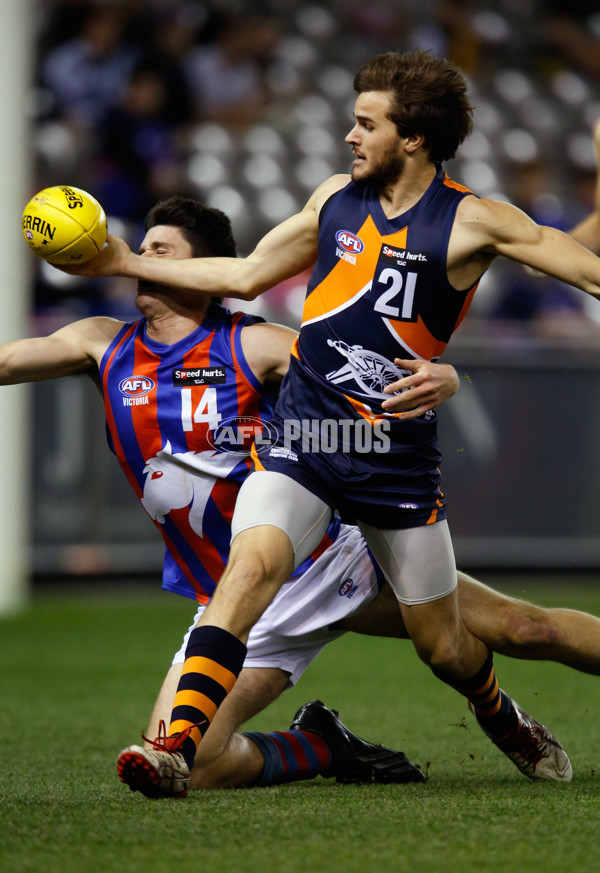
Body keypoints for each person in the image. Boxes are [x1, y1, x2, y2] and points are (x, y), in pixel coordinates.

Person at [60, 50, 600, 795]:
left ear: (412, 138)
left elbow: (585, 269)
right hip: (305, 439)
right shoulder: (334, 201)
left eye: (366, 123)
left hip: (392, 457)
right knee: (250, 567)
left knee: (444, 647)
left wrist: (456, 372)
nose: (350, 135)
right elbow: (245, 273)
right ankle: (177, 746)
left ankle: (497, 710)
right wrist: (122, 261)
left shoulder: (473, 220)